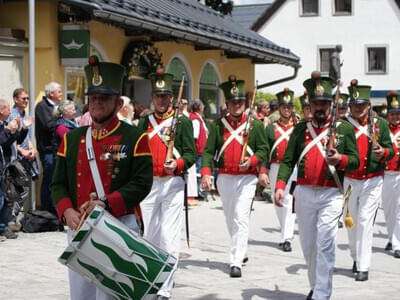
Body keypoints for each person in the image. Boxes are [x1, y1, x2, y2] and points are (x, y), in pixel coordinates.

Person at [51, 56, 153, 300]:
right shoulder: (73, 139)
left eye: (104, 98)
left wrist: (106, 203)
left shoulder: (135, 137)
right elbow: (58, 183)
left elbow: (141, 183)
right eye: (93, 97)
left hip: (117, 226)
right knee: (81, 295)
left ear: (118, 103)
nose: (97, 103)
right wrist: (67, 211)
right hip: (79, 227)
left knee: (111, 296)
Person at [275, 71, 359, 300]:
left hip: (331, 193)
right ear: (310, 105)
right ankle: (316, 285)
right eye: (316, 103)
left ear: (331, 105)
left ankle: (322, 293)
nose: (320, 107)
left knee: (325, 243)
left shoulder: (344, 130)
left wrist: (339, 160)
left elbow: (355, 161)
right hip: (303, 192)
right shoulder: (301, 130)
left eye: (324, 103)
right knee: (309, 245)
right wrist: (280, 184)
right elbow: (288, 160)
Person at [201, 75, 269, 278]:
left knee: (240, 217)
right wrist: (205, 173)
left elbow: (264, 149)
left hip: (247, 178)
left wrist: (253, 162)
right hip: (225, 177)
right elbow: (207, 152)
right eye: (233, 102)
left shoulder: (255, 125)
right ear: (227, 104)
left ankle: (235, 260)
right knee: (230, 217)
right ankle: (241, 248)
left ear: (245, 104)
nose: (237, 105)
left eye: (240, 102)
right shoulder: (218, 126)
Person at [137, 69, 196, 300]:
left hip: (172, 184)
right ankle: (150, 280)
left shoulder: (182, 122)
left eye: (165, 96)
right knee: (150, 235)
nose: (161, 100)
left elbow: (191, 154)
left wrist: (179, 163)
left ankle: (165, 287)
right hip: (149, 185)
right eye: (157, 96)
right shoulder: (144, 122)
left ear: (171, 98)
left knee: (169, 236)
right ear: (152, 98)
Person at [343, 79, 394, 281]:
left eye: (362, 105)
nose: (358, 108)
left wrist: (384, 152)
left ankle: (363, 265)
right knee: (351, 222)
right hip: (349, 179)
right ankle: (355, 257)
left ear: (369, 105)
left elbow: (390, 150)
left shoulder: (380, 124)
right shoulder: (343, 125)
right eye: (354, 105)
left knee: (365, 221)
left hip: (373, 179)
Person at [264, 88, 297, 252]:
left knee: (289, 200)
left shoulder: (298, 127)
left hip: (293, 168)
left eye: (289, 107)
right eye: (284, 107)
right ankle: (285, 231)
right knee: (277, 200)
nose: (286, 110)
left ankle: (287, 237)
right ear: (279, 109)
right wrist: (262, 170)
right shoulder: (271, 128)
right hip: (275, 166)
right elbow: (265, 149)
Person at [0, 98, 33, 240]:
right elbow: (1, 140)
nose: (10, 111)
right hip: (2, 167)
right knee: (1, 199)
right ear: (1, 110)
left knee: (8, 199)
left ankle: (3, 226)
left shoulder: (6, 124)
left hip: (8, 167)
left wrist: (24, 128)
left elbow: (15, 141)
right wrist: (8, 131)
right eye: (7, 108)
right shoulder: (4, 127)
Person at [9, 88, 37, 218]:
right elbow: (12, 139)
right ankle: (10, 220)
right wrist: (23, 151)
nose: (26, 101)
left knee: (22, 189)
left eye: (27, 98)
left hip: (25, 158)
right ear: (15, 99)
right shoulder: (12, 115)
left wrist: (32, 149)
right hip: (15, 157)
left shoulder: (25, 115)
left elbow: (28, 137)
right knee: (17, 189)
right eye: (23, 98)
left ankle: (11, 219)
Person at [35, 81, 62, 219]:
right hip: (48, 149)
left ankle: (54, 206)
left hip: (57, 148)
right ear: (51, 94)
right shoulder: (42, 106)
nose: (61, 94)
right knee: (48, 179)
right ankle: (46, 209)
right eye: (59, 91)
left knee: (56, 179)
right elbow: (48, 125)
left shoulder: (57, 106)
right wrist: (61, 118)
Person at [382, 91, 400, 259]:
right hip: (386, 175)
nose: (395, 117)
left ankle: (397, 243)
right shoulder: (382, 130)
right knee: (389, 210)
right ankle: (390, 236)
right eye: (393, 114)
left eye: (397, 114)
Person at [189, 99, 208, 201]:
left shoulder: (197, 118)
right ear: (200, 107)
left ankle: (198, 192)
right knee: (198, 172)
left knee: (199, 171)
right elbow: (195, 136)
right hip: (198, 151)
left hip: (200, 150)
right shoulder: (195, 119)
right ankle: (197, 192)